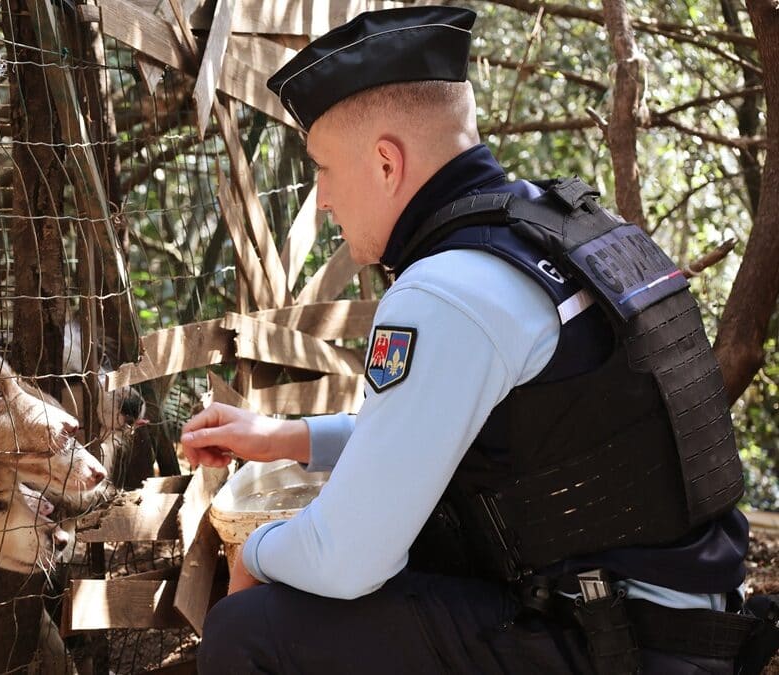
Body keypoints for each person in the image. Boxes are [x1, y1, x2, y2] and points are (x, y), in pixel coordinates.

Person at [181, 6, 778, 674]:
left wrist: (252, 552)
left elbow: (345, 560)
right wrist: (287, 438)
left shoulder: (444, 289)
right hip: (689, 624)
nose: (321, 199)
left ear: (385, 162)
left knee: (248, 628)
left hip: (617, 647)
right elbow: (477, 433)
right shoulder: (566, 234)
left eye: (322, 168)